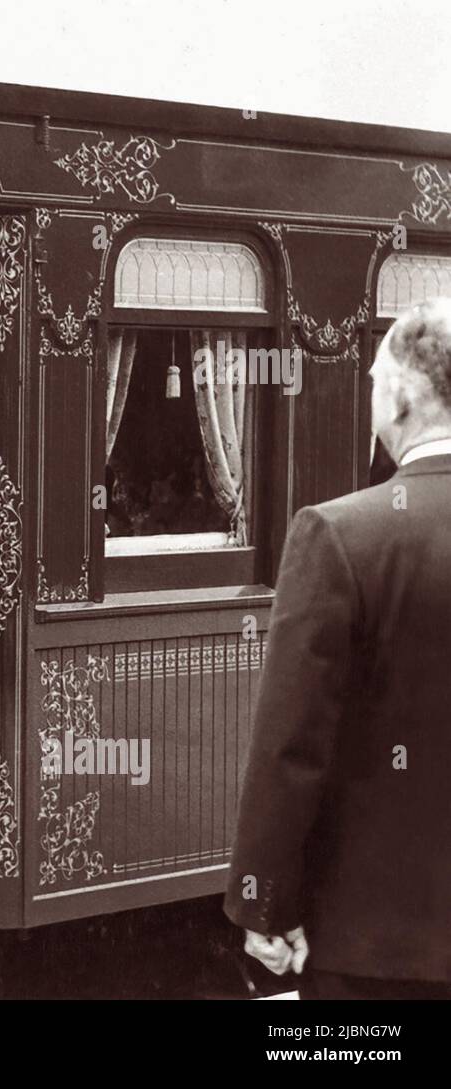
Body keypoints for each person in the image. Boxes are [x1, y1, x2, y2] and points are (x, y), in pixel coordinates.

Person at [225, 297, 451, 999]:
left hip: (375, 947)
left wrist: (266, 906)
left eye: (376, 381)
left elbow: (291, 747)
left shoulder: (339, 535)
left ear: (405, 401)